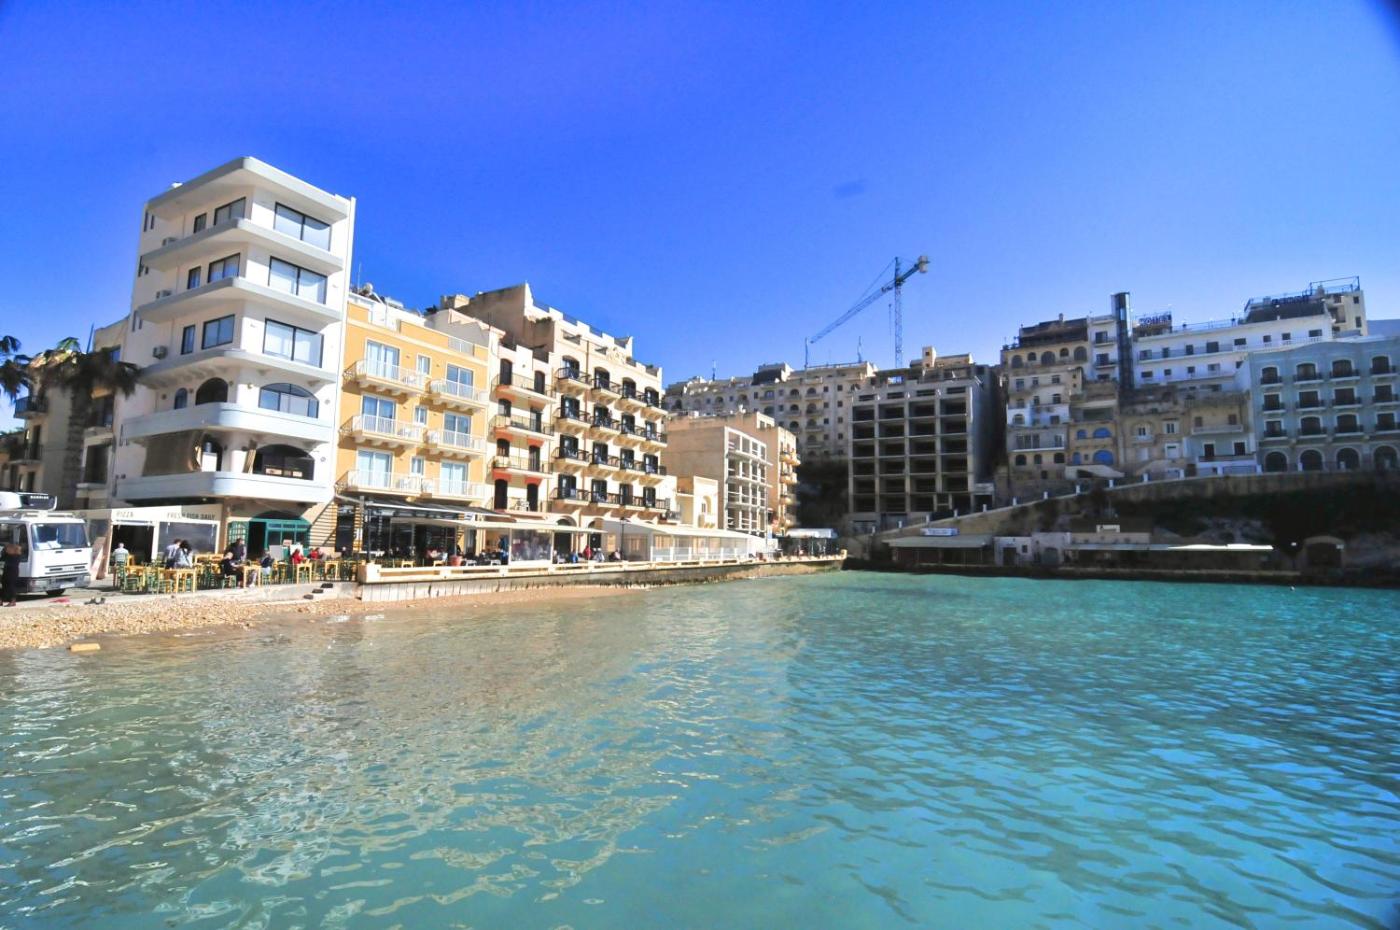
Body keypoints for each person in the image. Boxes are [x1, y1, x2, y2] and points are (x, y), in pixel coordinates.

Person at [1, 542, 21, 606]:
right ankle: (1, 600)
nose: (5, 549)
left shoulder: (15, 555)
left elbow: (5, 559)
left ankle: (13, 601)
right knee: (4, 585)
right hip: (7, 571)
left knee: (11, 586)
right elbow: (2, 558)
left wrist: (4, 552)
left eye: (6, 548)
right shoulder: (8, 555)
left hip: (12, 572)